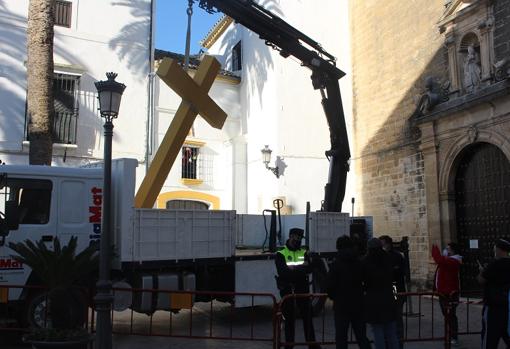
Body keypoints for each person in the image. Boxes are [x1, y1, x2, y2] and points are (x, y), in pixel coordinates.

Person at [275, 227, 320, 349]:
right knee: (289, 319)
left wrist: (294, 269)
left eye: (300, 238)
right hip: (287, 289)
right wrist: (302, 268)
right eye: (297, 237)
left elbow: (310, 269)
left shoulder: (303, 252)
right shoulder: (281, 253)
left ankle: (312, 344)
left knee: (307, 317)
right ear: (290, 236)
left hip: (302, 288)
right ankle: (289, 345)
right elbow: (283, 272)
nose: (299, 240)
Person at [326, 235, 371, 349]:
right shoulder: (359, 262)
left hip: (341, 305)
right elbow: (366, 281)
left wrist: (334, 297)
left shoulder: (336, 264)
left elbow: (330, 285)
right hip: (358, 304)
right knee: (361, 336)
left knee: (341, 338)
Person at [362, 237, 399, 349]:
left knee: (377, 331)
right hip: (388, 297)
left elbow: (364, 280)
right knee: (391, 331)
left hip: (373, 299)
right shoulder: (388, 258)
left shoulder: (365, 261)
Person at [477, 238, 510, 349]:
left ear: (499, 249)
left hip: (494, 308)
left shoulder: (494, 264)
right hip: (508, 306)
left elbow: (481, 280)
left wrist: (482, 270)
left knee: (489, 340)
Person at [431, 242, 462, 346]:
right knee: (447, 315)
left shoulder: (454, 261)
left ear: (452, 251)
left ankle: (454, 336)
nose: (446, 250)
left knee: (451, 315)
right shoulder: (448, 260)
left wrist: (434, 247)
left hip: (450, 293)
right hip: (443, 292)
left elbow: (439, 259)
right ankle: (449, 334)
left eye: (447, 248)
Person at [379, 235, 406, 349]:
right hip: (386, 290)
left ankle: (399, 343)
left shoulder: (396, 256)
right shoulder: (381, 256)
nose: (382, 246)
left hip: (395, 289)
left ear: (388, 244)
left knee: (397, 317)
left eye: (383, 244)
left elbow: (399, 272)